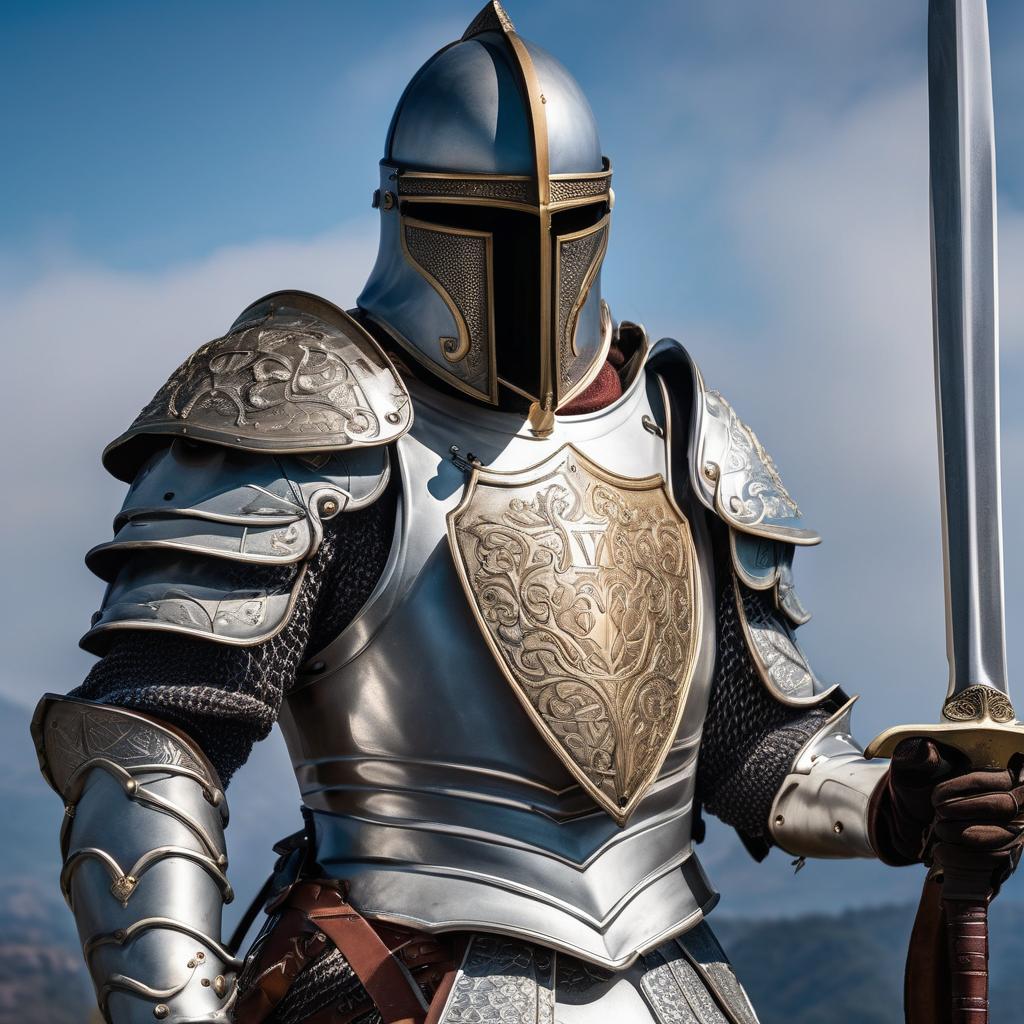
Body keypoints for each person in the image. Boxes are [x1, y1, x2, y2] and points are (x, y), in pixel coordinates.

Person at [31, 4, 1024, 1022]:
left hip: (673, 977)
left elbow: (747, 744)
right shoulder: (302, 410)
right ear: (418, 220)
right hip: (404, 975)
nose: (528, 267)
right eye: (492, 232)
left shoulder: (683, 436)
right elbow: (154, 742)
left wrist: (892, 804)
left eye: (557, 231)